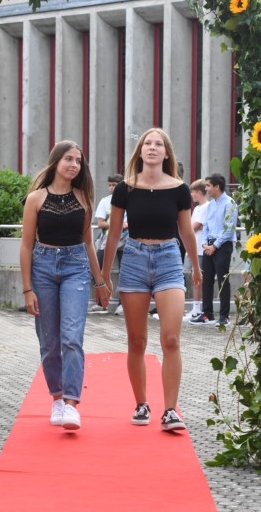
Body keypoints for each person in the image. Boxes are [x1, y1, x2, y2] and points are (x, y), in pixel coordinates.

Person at [101, 127, 201, 431]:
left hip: (169, 259)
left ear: (166, 152)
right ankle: (141, 403)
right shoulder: (125, 189)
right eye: (148, 143)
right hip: (134, 259)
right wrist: (104, 276)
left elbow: (186, 232)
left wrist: (196, 268)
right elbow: (113, 233)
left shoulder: (179, 189)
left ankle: (170, 410)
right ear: (140, 151)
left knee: (171, 338)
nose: (153, 147)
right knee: (137, 340)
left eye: (158, 144)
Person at [20, 140, 110, 431]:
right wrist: (27, 289)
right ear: (56, 161)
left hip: (76, 267)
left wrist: (100, 281)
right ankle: (57, 398)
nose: (74, 165)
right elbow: (26, 245)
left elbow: (87, 242)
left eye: (78, 161)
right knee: (49, 342)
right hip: (42, 268)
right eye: (68, 159)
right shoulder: (35, 198)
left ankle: (72, 404)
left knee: (72, 336)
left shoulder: (83, 197)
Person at [190, 173, 238, 327]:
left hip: (222, 245)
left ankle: (224, 316)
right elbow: (206, 227)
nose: (206, 189)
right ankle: (207, 313)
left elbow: (229, 229)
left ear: (217, 187)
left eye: (208, 186)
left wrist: (215, 245)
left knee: (223, 280)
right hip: (208, 245)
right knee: (207, 279)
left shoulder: (230, 203)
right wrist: (205, 243)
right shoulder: (210, 205)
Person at [91, 173, 128, 315]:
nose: (112, 188)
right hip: (108, 240)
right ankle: (102, 302)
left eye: (114, 185)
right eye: (110, 185)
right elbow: (100, 223)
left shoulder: (129, 200)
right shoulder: (105, 201)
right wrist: (117, 224)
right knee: (99, 268)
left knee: (125, 272)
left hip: (126, 240)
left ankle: (123, 304)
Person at [184, 178, 209, 321]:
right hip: (194, 246)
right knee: (194, 277)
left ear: (199, 192)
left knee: (198, 277)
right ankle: (195, 307)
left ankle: (198, 308)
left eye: (193, 192)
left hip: (200, 247)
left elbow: (195, 226)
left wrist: (187, 229)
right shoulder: (198, 208)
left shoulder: (206, 207)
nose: (192, 195)